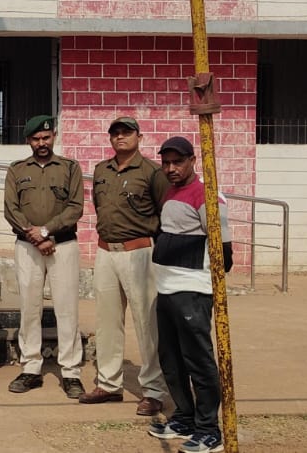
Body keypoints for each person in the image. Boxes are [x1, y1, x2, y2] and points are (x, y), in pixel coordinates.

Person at [148, 136, 233, 453]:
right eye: (166, 163)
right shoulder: (171, 192)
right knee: (171, 359)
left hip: (192, 291)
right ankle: (184, 417)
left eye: (178, 162)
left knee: (198, 360)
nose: (171, 168)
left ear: (193, 161)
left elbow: (223, 249)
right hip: (166, 288)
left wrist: (208, 279)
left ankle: (209, 430)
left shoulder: (207, 195)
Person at [81, 116, 171, 414]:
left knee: (147, 323)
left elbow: (164, 213)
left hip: (139, 251)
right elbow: (99, 206)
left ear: (139, 137)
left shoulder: (152, 172)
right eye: (115, 133)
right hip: (106, 251)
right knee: (107, 322)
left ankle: (153, 390)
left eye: (127, 132)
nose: (120, 137)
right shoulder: (101, 170)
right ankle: (109, 384)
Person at [3, 114, 86, 398]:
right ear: (28, 140)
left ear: (54, 137)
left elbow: (75, 207)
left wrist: (47, 231)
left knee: (67, 309)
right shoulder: (16, 170)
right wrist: (35, 236)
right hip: (28, 246)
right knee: (29, 307)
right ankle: (30, 368)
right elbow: (11, 208)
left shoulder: (70, 168)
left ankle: (71, 371)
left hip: (62, 245)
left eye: (46, 137)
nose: (42, 143)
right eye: (36, 138)